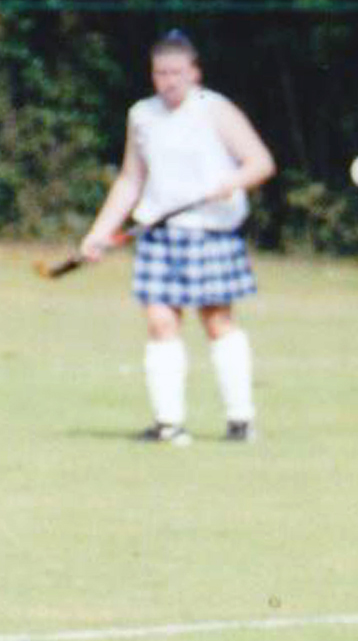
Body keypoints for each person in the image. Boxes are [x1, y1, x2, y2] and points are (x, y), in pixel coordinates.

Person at [81, 30, 275, 445]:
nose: (168, 80)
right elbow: (131, 179)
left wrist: (233, 181)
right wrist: (100, 232)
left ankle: (240, 420)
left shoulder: (216, 110)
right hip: (160, 234)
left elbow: (260, 162)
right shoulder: (142, 115)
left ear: (194, 72)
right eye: (160, 72)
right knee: (160, 322)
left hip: (210, 232)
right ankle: (169, 423)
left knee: (218, 322)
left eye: (177, 72)